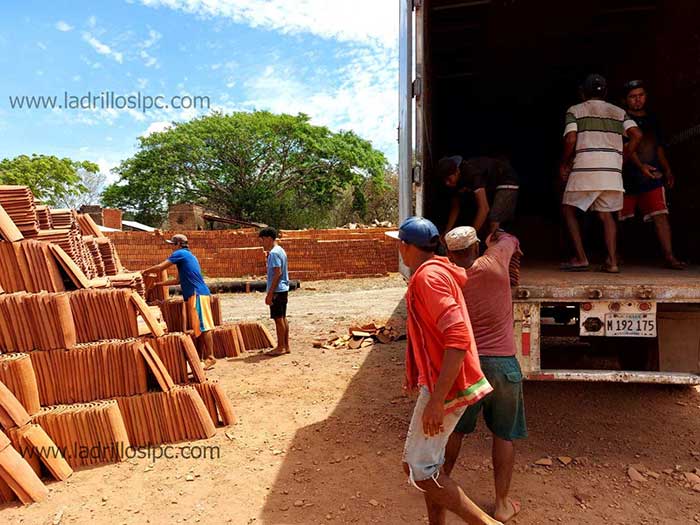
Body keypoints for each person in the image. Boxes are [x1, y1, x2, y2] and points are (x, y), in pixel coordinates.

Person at [385, 216, 502, 525]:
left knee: (421, 471)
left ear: (406, 247)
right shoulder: (437, 272)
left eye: (399, 243)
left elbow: (458, 337)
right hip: (443, 381)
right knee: (423, 468)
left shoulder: (428, 279)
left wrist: (437, 400)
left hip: (448, 385)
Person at [444, 226, 527, 523]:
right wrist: (497, 236)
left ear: (450, 253)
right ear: (476, 248)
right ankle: (502, 504)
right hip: (503, 365)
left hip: (468, 366)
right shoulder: (494, 264)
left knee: (455, 430)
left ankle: (438, 487)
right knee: (504, 435)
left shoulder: (448, 277)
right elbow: (511, 239)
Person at [559, 73, 643, 273]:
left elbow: (570, 139)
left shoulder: (575, 110)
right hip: (612, 173)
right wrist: (623, 156)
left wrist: (564, 162)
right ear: (605, 92)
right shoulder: (619, 112)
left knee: (568, 210)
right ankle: (612, 262)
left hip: (585, 170)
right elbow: (637, 135)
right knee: (607, 216)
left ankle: (580, 258)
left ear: (583, 93)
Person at [620, 79, 685, 269]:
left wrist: (668, 170)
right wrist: (641, 167)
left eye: (641, 95)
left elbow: (658, 148)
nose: (637, 100)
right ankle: (616, 255)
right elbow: (626, 149)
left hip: (653, 176)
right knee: (620, 219)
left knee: (661, 216)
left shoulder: (653, 120)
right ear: (625, 100)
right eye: (633, 97)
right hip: (627, 176)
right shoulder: (622, 120)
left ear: (646, 96)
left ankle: (670, 257)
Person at [143, 233, 216, 368]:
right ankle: (200, 358)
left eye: (172, 245)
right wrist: (158, 285)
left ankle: (210, 357)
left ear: (178, 244)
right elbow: (177, 280)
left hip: (197, 293)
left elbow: (160, 267)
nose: (172, 248)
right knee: (198, 327)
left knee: (204, 326)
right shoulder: (188, 256)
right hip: (195, 294)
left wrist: (142, 273)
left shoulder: (180, 253)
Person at [438, 155, 519, 237]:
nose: (446, 183)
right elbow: (455, 207)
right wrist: (446, 232)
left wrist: (469, 237)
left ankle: (502, 248)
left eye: (449, 179)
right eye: (444, 180)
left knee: (494, 222)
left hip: (506, 178)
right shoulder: (453, 182)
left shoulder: (471, 173)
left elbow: (484, 208)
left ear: (457, 171)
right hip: (492, 184)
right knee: (484, 224)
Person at [259, 227, 290, 356]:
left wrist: (270, 294)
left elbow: (277, 273)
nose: (262, 243)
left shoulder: (274, 253)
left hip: (277, 290)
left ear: (269, 239)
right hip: (283, 289)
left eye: (263, 240)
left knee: (278, 319)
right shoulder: (281, 251)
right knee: (282, 318)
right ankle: (285, 346)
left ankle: (281, 347)